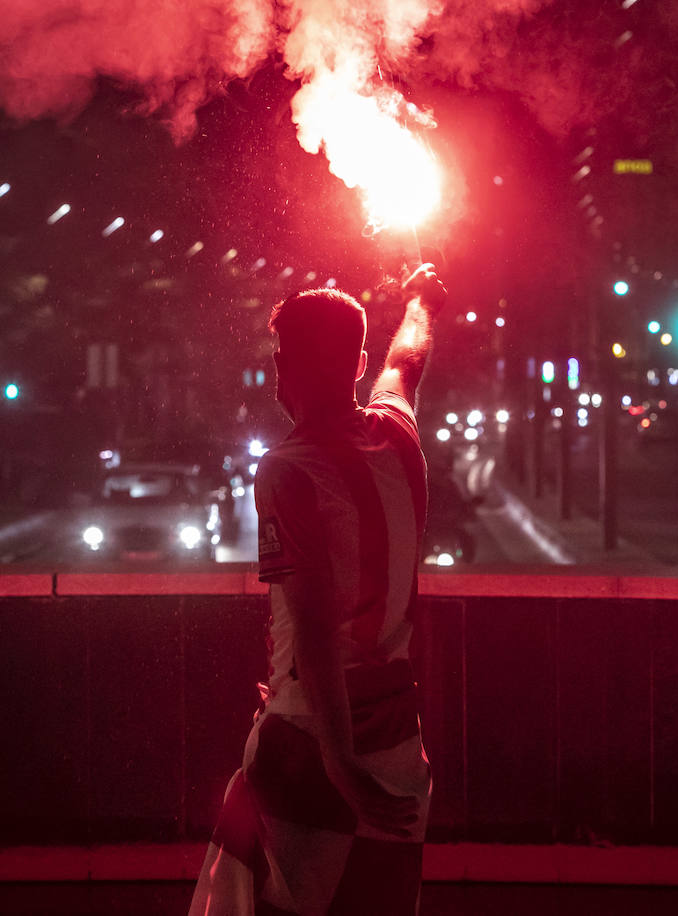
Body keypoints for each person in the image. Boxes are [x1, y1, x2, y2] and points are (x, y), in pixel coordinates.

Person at [190, 264, 447, 915]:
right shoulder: (398, 432)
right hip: (398, 741)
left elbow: (313, 624)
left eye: (280, 358)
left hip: (310, 741)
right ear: (359, 362)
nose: (275, 372)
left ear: (285, 365)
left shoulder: (287, 470)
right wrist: (422, 301)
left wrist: (336, 758)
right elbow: (408, 359)